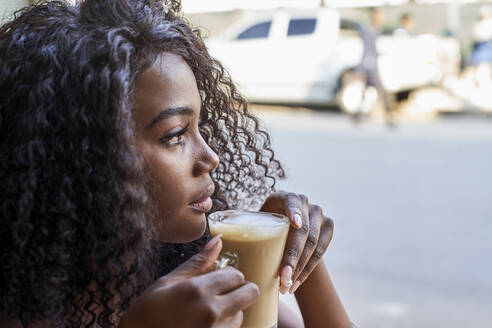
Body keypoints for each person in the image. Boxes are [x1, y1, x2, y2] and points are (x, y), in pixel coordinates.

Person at [0, 0, 353, 327]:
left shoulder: (193, 271)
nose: (211, 157)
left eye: (201, 125)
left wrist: (302, 255)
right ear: (84, 157)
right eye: (175, 135)